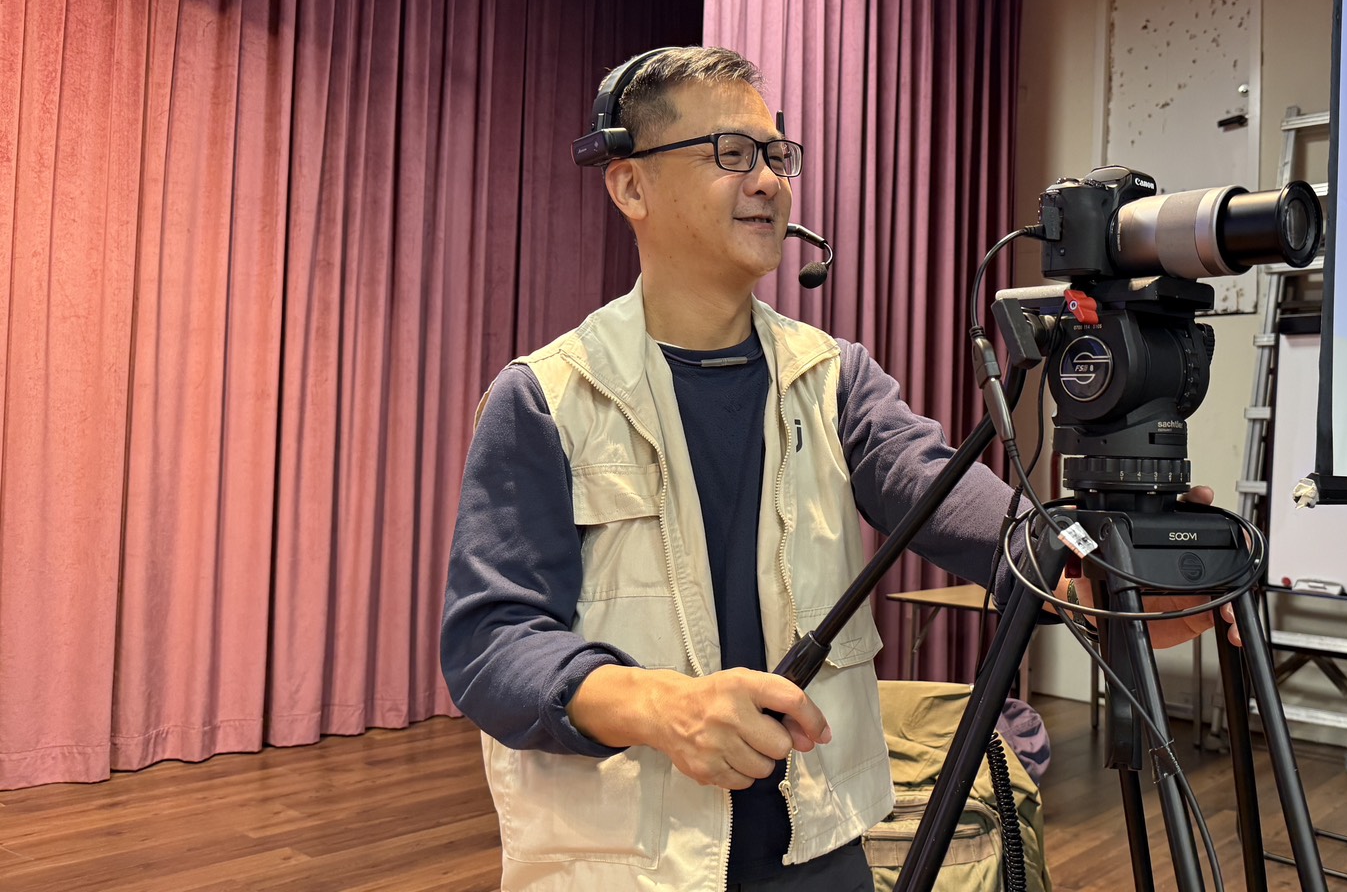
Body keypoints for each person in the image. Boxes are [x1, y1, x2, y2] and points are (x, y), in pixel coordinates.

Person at [439, 46, 1228, 892]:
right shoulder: (548, 396)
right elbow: (490, 645)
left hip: (820, 847)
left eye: (777, 154)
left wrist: (1079, 577)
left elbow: (938, 487)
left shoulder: (833, 377)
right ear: (630, 186)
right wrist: (663, 708)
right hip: (627, 861)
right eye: (730, 154)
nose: (769, 180)